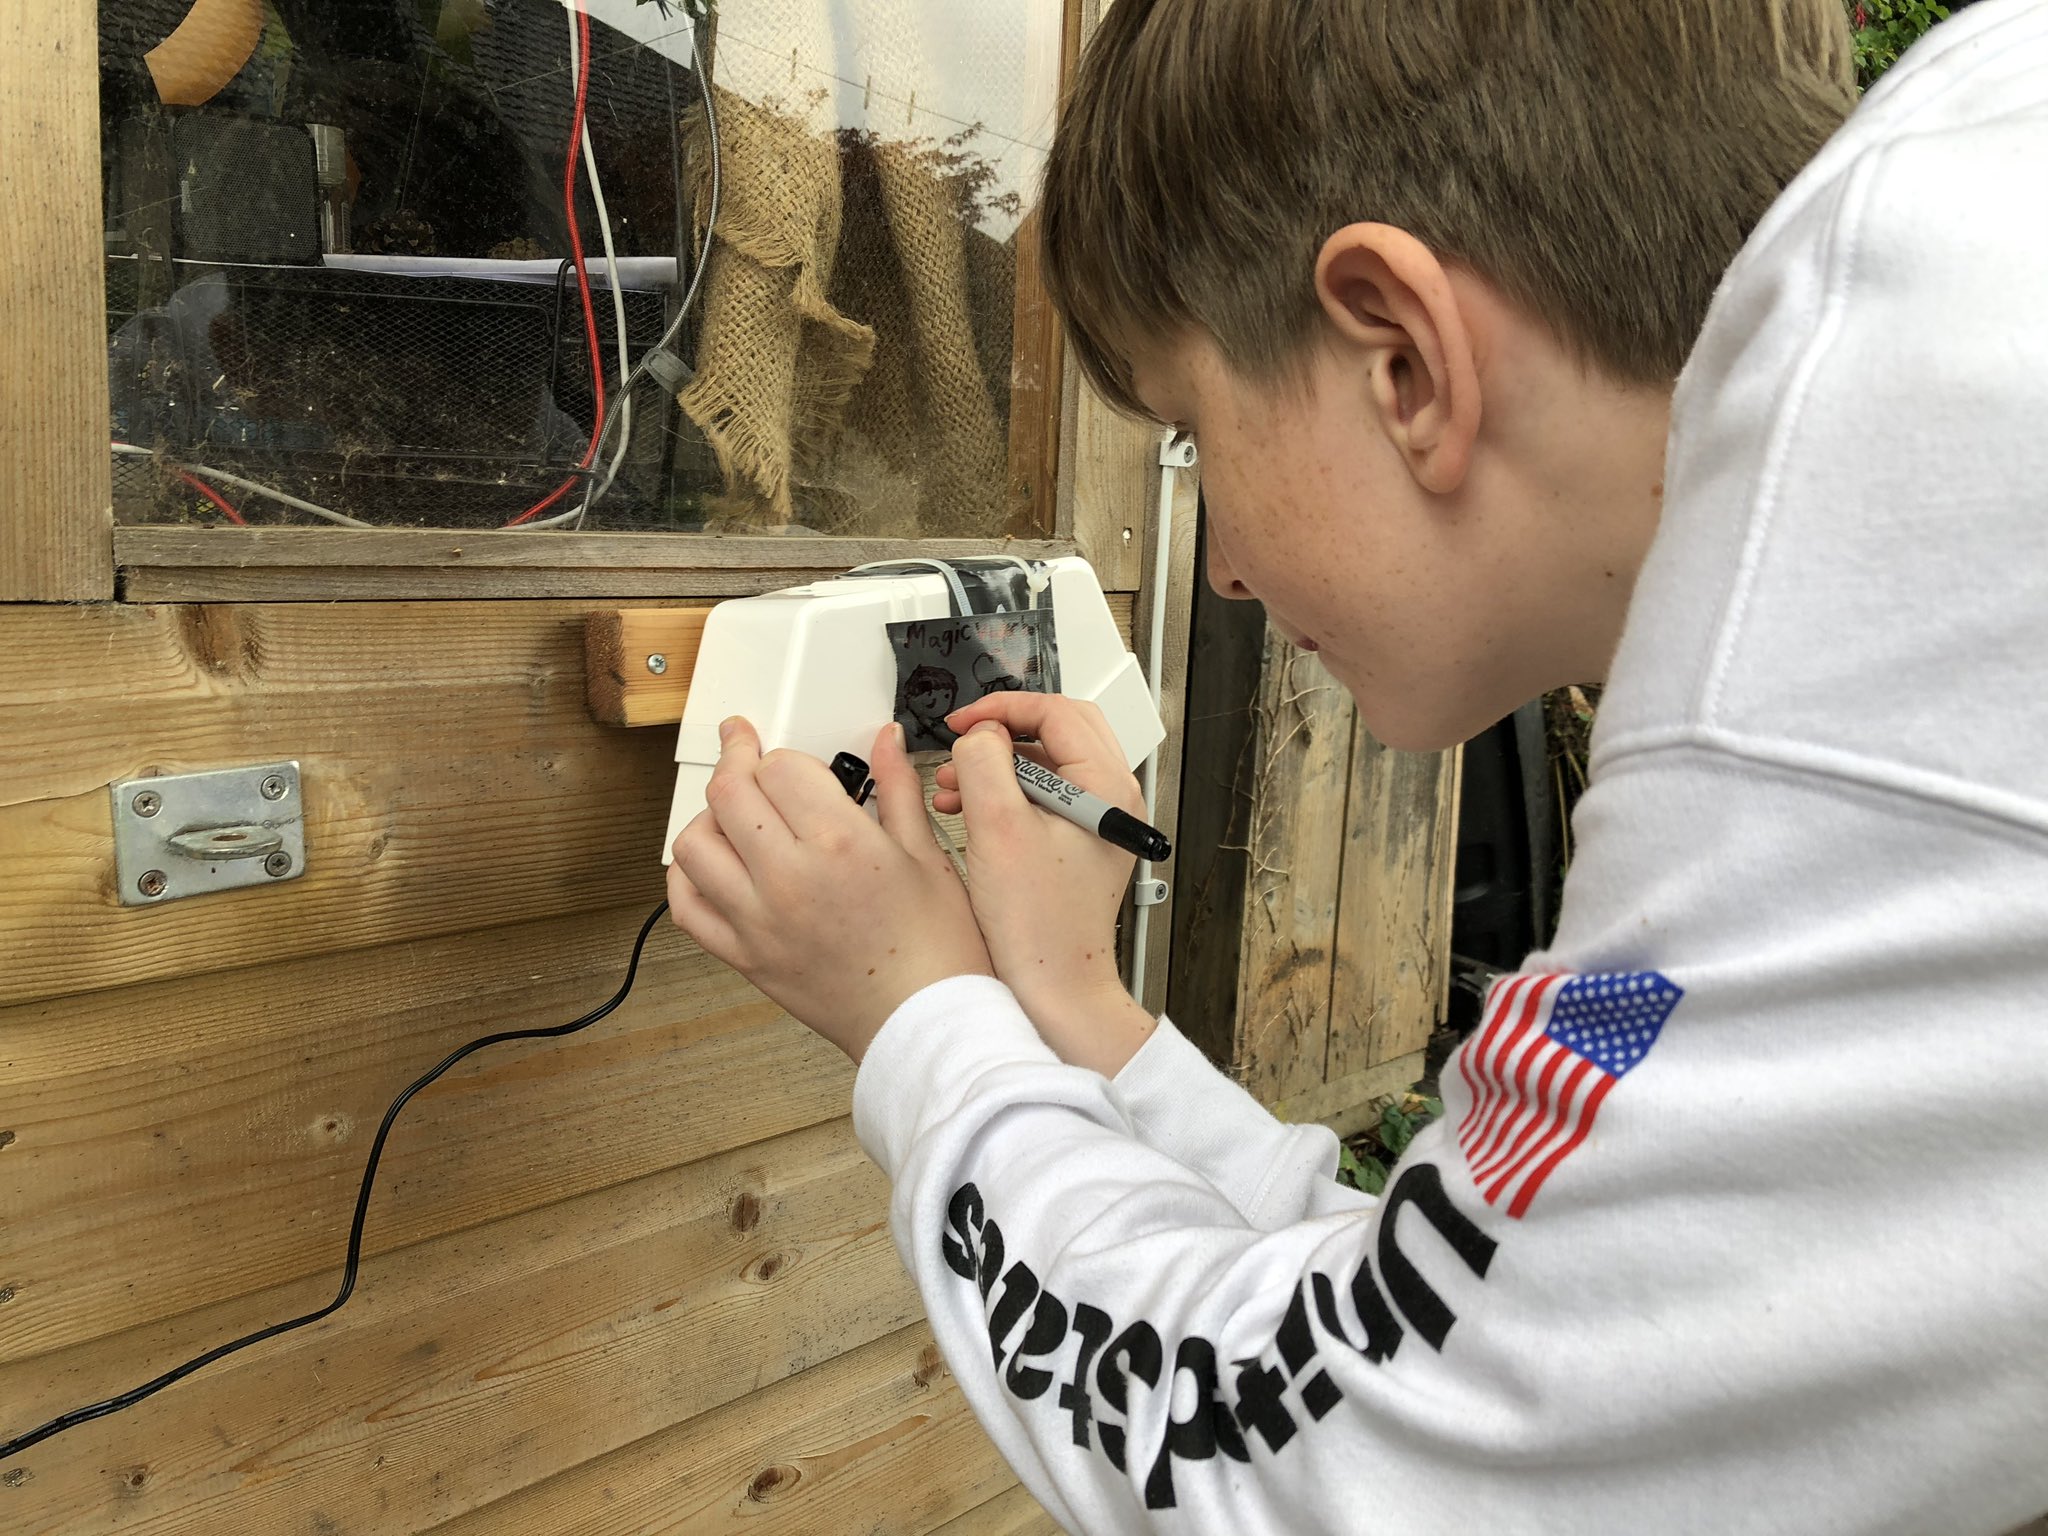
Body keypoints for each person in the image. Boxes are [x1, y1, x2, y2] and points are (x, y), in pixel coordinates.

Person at [665, 0, 2048, 1530]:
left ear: (1402, 359)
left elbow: (1353, 1469)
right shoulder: (1933, 328)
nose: (1232, 570)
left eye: (1194, 438)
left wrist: (919, 1020)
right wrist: (1081, 1014)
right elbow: (1480, 1310)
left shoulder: (1815, 673)